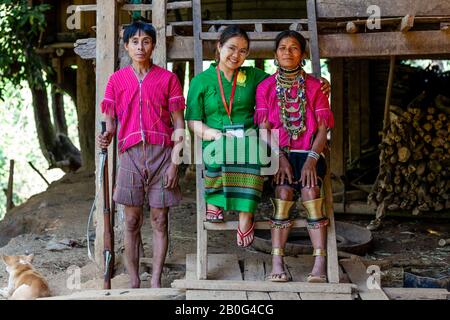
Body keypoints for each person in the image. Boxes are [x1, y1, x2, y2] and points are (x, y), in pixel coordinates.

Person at [186, 26, 331, 249]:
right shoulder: (201, 81)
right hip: (215, 139)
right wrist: (212, 133)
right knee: (226, 146)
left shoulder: (253, 76)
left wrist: (319, 83)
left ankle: (246, 215)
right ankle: (215, 200)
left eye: (243, 51)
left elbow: (284, 79)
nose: (236, 55)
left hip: (250, 139)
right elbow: (192, 120)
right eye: (231, 48)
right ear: (219, 47)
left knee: (252, 148)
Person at [97, 21, 185, 288]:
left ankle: (156, 280)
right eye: (134, 41)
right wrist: (106, 135)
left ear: (153, 46)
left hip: (163, 156)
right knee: (132, 221)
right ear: (126, 46)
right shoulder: (116, 80)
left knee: (160, 219)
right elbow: (109, 121)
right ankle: (134, 281)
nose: (140, 46)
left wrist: (175, 163)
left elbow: (179, 124)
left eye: (146, 41)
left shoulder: (168, 79)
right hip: (131, 156)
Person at [255, 30, 334, 283]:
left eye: (294, 48)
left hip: (310, 152)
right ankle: (277, 261)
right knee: (283, 194)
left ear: (302, 54)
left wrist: (312, 159)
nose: (287, 52)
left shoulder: (314, 86)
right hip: (280, 153)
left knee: (311, 191)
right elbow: (263, 130)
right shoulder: (265, 87)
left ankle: (319, 262)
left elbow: (323, 130)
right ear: (275, 54)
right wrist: (278, 157)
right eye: (282, 48)